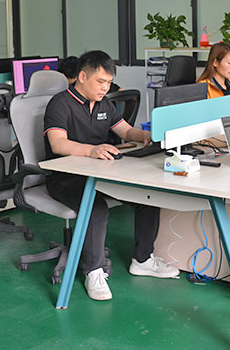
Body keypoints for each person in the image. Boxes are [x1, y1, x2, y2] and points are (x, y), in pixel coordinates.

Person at [44, 50, 179, 301]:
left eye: (108, 82)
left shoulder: (104, 103)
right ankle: (93, 272)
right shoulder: (60, 103)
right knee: (96, 208)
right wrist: (92, 150)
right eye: (100, 81)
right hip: (65, 177)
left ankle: (142, 260)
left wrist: (146, 135)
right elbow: (57, 143)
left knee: (148, 195)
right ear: (82, 76)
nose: (105, 88)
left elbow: (125, 131)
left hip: (100, 172)